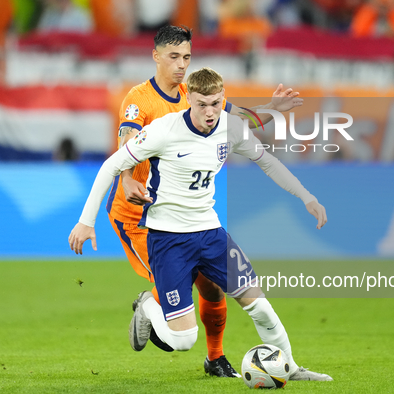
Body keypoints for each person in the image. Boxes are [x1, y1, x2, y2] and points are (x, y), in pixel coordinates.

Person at [69, 67, 332, 382]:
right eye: (202, 105)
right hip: (169, 240)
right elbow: (112, 164)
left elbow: (267, 161)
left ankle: (289, 367)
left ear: (223, 100)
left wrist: (307, 196)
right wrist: (86, 221)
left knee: (258, 304)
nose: (210, 112)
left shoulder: (231, 128)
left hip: (211, 235)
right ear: (189, 100)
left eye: (216, 104)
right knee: (183, 341)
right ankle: (147, 304)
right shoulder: (164, 130)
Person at [108, 25, 303, 378]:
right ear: (156, 56)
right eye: (174, 57)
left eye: (186, 57)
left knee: (212, 285)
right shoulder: (138, 100)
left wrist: (272, 109)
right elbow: (127, 141)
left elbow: (237, 119)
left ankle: (215, 358)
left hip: (188, 217)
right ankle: (148, 304)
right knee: (172, 329)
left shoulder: (194, 93)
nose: (181, 64)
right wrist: (124, 179)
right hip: (139, 216)